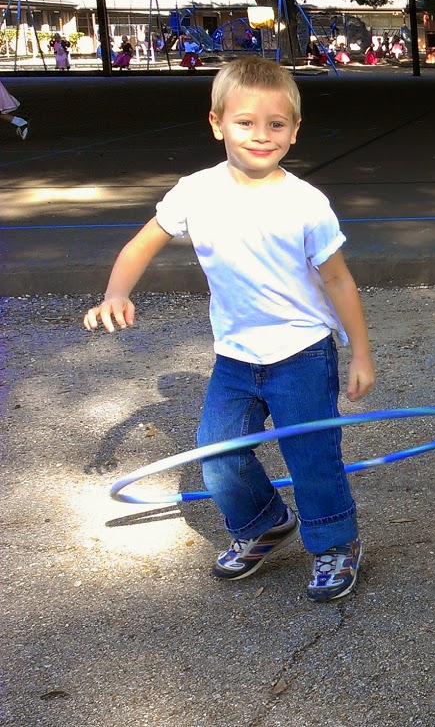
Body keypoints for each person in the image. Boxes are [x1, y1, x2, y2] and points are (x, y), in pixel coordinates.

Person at [83, 57, 376, 603]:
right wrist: (115, 293)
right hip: (235, 356)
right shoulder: (195, 192)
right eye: (245, 122)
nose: (261, 135)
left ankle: (336, 543)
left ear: (294, 130)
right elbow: (142, 244)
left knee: (311, 457)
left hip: (302, 351)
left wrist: (359, 353)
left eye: (276, 124)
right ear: (217, 123)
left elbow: (338, 280)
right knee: (217, 451)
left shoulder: (306, 205)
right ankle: (264, 522)